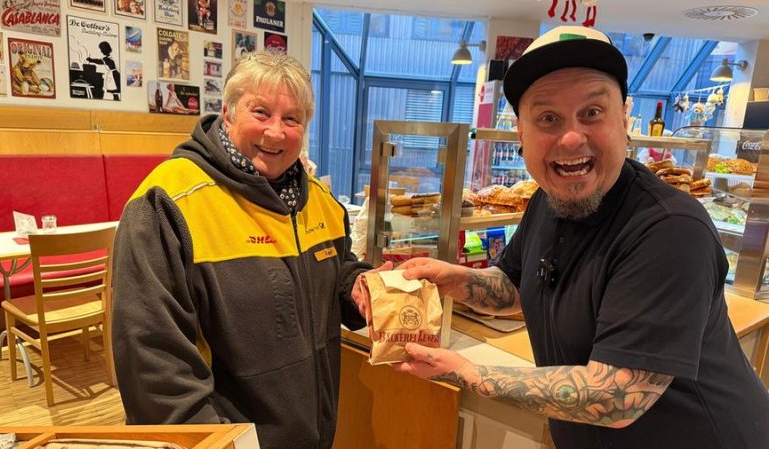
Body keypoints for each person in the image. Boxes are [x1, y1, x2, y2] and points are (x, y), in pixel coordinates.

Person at [395, 26, 769, 448]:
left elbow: (617, 396)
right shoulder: (547, 200)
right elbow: (516, 287)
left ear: (623, 119)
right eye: (548, 118)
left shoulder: (670, 229)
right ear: (522, 134)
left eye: (591, 112)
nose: (571, 138)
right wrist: (454, 279)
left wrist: (468, 372)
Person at [112, 50, 387, 449]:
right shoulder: (166, 204)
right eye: (260, 112)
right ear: (227, 113)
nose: (276, 132)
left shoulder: (321, 200)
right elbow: (152, 365)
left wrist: (357, 284)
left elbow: (336, 269)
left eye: (291, 119)